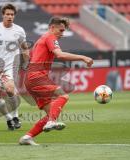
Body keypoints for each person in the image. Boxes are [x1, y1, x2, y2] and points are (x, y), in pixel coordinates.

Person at [19, 16, 93, 145]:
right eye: (61, 30)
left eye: (64, 31)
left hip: (31, 78)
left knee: (51, 113)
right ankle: (51, 122)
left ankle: (27, 137)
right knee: (63, 96)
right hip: (37, 76)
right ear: (52, 27)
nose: (62, 34)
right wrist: (83, 57)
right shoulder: (50, 37)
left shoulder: (41, 39)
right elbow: (60, 54)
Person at [0, 3, 29, 130]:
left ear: (14, 16)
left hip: (10, 66)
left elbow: (24, 48)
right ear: (3, 15)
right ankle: (9, 119)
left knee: (9, 90)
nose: (10, 16)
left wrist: (25, 62)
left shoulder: (19, 30)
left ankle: (15, 117)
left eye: (12, 14)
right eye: (7, 14)